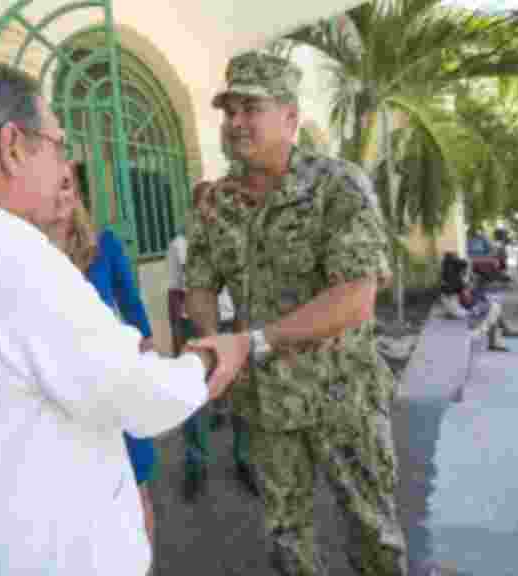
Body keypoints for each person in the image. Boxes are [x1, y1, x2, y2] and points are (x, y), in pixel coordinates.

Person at [0, 59, 231, 575]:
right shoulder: (13, 261)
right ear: (10, 147)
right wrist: (209, 362)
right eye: (59, 146)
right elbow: (138, 398)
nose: (65, 169)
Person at [183, 52, 407, 575]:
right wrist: (215, 342)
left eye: (250, 108)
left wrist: (251, 343)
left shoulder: (339, 186)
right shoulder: (217, 203)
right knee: (287, 540)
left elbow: (356, 297)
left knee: (371, 532)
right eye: (228, 110)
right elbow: (198, 283)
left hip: (342, 399)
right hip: (267, 410)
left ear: (288, 116)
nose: (235, 122)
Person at [48, 172, 159, 548]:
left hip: (113, 382)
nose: (59, 196)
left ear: (78, 193)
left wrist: (145, 346)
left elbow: (130, 300)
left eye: (67, 186)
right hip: (62, 394)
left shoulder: (105, 244)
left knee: (137, 489)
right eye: (51, 186)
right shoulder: (28, 253)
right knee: (84, 504)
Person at [168, 181, 257, 502]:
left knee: (240, 393)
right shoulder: (181, 245)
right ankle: (196, 463)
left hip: (232, 326)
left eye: (215, 202)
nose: (211, 208)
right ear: (195, 207)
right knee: (195, 397)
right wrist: (178, 336)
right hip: (196, 329)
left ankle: (244, 457)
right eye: (204, 202)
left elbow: (247, 290)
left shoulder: (235, 239)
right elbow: (175, 293)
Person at [439, 253, 518, 351]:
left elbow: (462, 298)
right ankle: (487, 337)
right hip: (460, 312)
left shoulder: (448, 279)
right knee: (493, 307)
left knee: (490, 303)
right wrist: (472, 289)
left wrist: (472, 290)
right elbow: (468, 302)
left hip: (453, 309)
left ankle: (498, 337)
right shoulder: (457, 282)